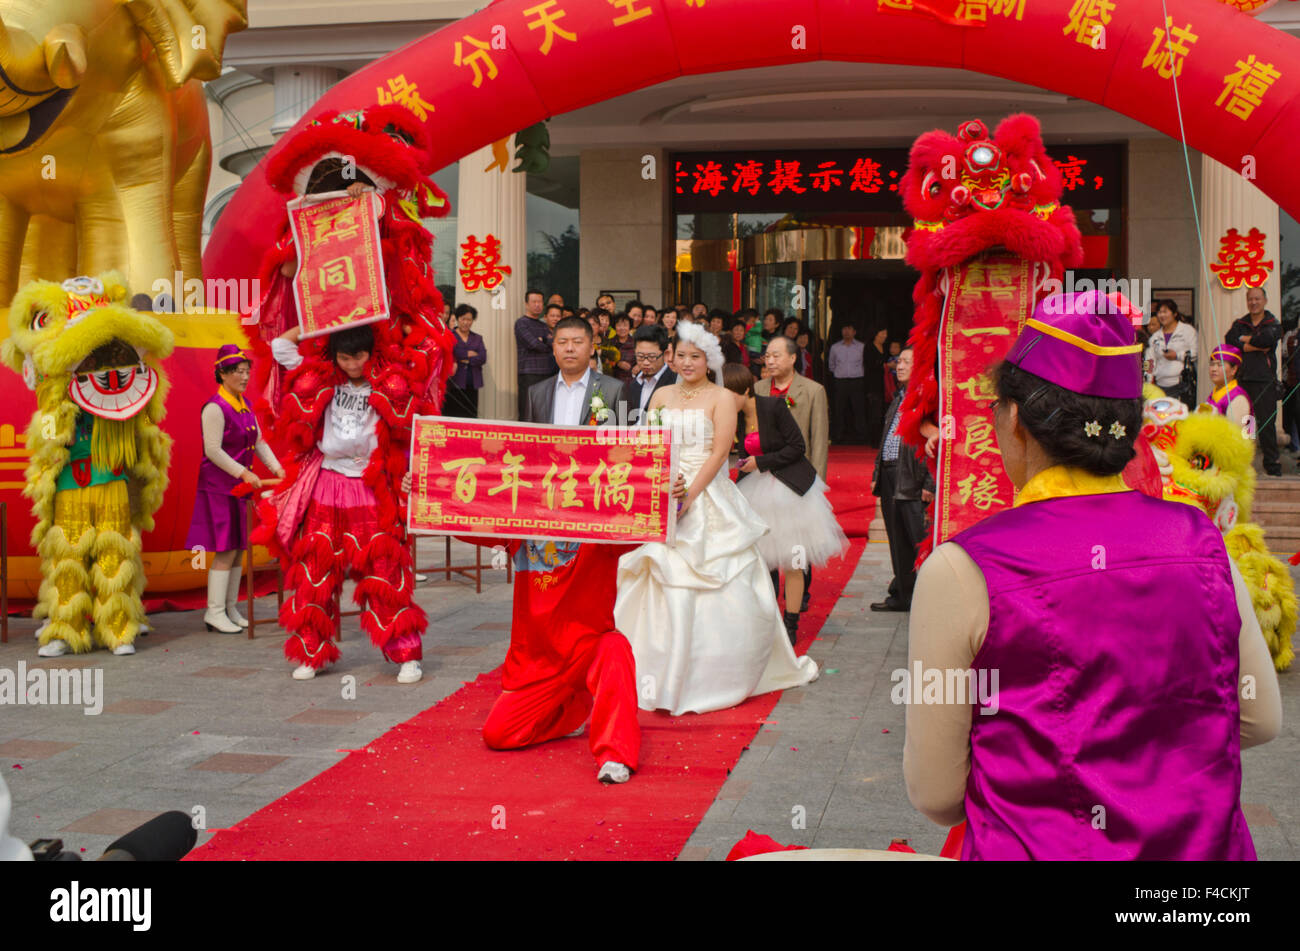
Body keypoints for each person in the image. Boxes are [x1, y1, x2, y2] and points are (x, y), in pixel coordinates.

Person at [904, 289, 1281, 859]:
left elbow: (936, 791)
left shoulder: (962, 570)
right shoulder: (1205, 544)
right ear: (1131, 430)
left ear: (1014, 422)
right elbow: (1258, 717)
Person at [615, 322, 818, 715]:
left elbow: (719, 454)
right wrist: (660, 484)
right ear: (670, 357)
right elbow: (647, 444)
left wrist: (688, 496)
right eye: (682, 355)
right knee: (661, 576)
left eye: (697, 356)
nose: (688, 363)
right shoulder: (659, 395)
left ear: (710, 360)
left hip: (707, 495)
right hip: (665, 493)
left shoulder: (723, 397)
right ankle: (654, 668)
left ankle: (716, 673)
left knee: (719, 574)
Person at [486, 316, 640, 784]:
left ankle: (615, 751)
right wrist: (424, 492)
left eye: (578, 342)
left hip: (591, 507)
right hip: (539, 661)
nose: (569, 349)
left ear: (593, 346)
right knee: (498, 735)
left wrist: (660, 493)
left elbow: (629, 456)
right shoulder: (536, 394)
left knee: (613, 649)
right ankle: (569, 708)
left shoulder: (613, 391)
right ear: (551, 349)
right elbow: (477, 520)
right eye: (562, 343)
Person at [269, 323, 426, 683]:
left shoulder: (391, 380)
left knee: (386, 570)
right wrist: (318, 320)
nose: (353, 364)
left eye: (359, 355)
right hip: (328, 484)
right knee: (315, 572)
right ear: (334, 355)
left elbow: (415, 429)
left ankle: (407, 655)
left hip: (373, 486)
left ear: (371, 352)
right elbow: (280, 345)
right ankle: (311, 653)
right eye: (345, 357)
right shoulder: (323, 378)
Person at [727, 363, 847, 643]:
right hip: (756, 493)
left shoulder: (773, 408)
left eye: (729, 394)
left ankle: (791, 623)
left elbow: (797, 448)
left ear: (745, 390)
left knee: (793, 561)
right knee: (762, 560)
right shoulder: (734, 420)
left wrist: (761, 461)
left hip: (790, 493)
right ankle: (768, 622)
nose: (724, 400)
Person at [186, 344, 284, 634]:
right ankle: (214, 611)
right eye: (238, 372)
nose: (244, 377)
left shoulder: (246, 405)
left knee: (239, 548)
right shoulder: (215, 408)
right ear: (223, 374)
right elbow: (213, 450)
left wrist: (277, 469)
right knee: (225, 549)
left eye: (246, 371)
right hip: (219, 488)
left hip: (241, 488)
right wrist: (242, 472)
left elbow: (260, 443)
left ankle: (230, 607)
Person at [757, 336, 830, 612]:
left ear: (792, 358)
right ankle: (770, 593)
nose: (771, 360)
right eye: (767, 356)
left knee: (799, 540)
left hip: (798, 477)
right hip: (764, 476)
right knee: (767, 538)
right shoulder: (759, 388)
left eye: (776, 355)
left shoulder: (812, 391)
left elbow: (819, 439)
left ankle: (800, 595)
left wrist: (816, 484)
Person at [870, 347, 931, 612]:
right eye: (899, 361)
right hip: (891, 473)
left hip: (913, 477)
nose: (900, 365)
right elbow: (886, 438)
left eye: (907, 362)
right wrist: (877, 473)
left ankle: (925, 595)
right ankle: (903, 593)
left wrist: (930, 483)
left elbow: (936, 444)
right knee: (897, 539)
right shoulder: (898, 398)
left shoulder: (927, 400)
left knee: (917, 538)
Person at [1225, 287, 1283, 475]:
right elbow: (1230, 339)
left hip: (1264, 382)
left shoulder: (1272, 322)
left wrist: (1245, 344)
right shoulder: (1240, 323)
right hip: (1243, 382)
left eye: (1257, 299)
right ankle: (1244, 465)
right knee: (1246, 424)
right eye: (1250, 299)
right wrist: (1253, 343)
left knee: (1266, 424)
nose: (1253, 302)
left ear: (1265, 300)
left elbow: (1267, 339)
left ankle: (1272, 467)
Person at [1143, 299, 1197, 405]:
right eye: (1159, 312)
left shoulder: (1187, 331)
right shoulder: (1155, 337)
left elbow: (1195, 353)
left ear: (1175, 313)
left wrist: (1177, 355)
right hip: (1160, 385)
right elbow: (1149, 361)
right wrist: (1147, 381)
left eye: (1165, 312)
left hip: (1181, 384)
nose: (1162, 315)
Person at [623, 323, 676, 425]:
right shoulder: (631, 385)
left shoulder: (675, 382)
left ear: (665, 354)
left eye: (651, 356)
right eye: (640, 356)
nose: (646, 362)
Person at [515, 289, 552, 421]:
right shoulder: (521, 323)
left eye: (540, 302)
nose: (537, 305)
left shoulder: (544, 325)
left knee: (543, 412)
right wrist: (545, 342)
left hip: (546, 373)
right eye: (534, 302)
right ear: (526, 304)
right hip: (528, 373)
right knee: (527, 411)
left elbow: (553, 343)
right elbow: (533, 344)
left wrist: (544, 340)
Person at [828, 323, 867, 444]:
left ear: (854, 332)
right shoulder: (835, 347)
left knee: (858, 409)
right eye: (844, 329)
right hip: (840, 381)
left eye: (849, 329)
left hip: (857, 380)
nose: (846, 332)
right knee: (839, 409)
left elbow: (865, 364)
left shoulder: (861, 347)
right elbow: (831, 365)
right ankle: (838, 436)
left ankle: (861, 436)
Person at [446, 304, 486, 418]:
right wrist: (468, 354)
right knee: (453, 415)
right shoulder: (450, 335)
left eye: (469, 319)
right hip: (454, 383)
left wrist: (465, 359)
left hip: (472, 383)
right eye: (463, 319)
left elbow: (482, 357)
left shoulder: (477, 338)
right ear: (458, 319)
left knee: (470, 416)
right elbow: (453, 353)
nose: (466, 322)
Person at [1206, 344, 1253, 428]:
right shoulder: (1214, 393)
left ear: (1234, 369)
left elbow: (1236, 432)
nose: (1214, 369)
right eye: (1212, 364)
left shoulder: (1238, 397)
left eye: (1220, 365)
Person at [864, 327, 888, 446]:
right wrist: (886, 366)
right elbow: (870, 366)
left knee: (883, 412)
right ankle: (874, 440)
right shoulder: (869, 347)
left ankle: (882, 439)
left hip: (885, 386)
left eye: (885, 333)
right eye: (882, 333)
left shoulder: (886, 347)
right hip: (873, 386)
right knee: (875, 412)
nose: (884, 335)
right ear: (875, 334)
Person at [609, 312, 636, 383]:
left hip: (632, 382)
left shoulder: (636, 343)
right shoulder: (609, 343)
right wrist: (617, 364)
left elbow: (643, 358)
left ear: (629, 327)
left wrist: (639, 366)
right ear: (614, 327)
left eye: (625, 325)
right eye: (619, 325)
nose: (622, 328)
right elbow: (605, 361)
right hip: (613, 381)